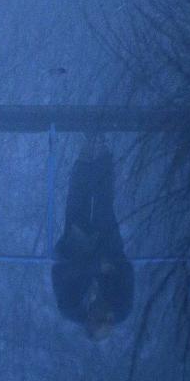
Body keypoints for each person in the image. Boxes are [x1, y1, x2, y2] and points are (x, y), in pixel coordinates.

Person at [52, 138, 134, 339]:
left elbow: (59, 273)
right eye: (109, 320)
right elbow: (127, 272)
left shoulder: (69, 306)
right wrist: (109, 265)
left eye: (101, 319)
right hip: (110, 250)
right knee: (103, 208)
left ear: (89, 319)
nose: (108, 316)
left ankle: (86, 153)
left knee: (76, 205)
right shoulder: (121, 307)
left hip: (77, 252)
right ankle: (104, 154)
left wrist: (93, 268)